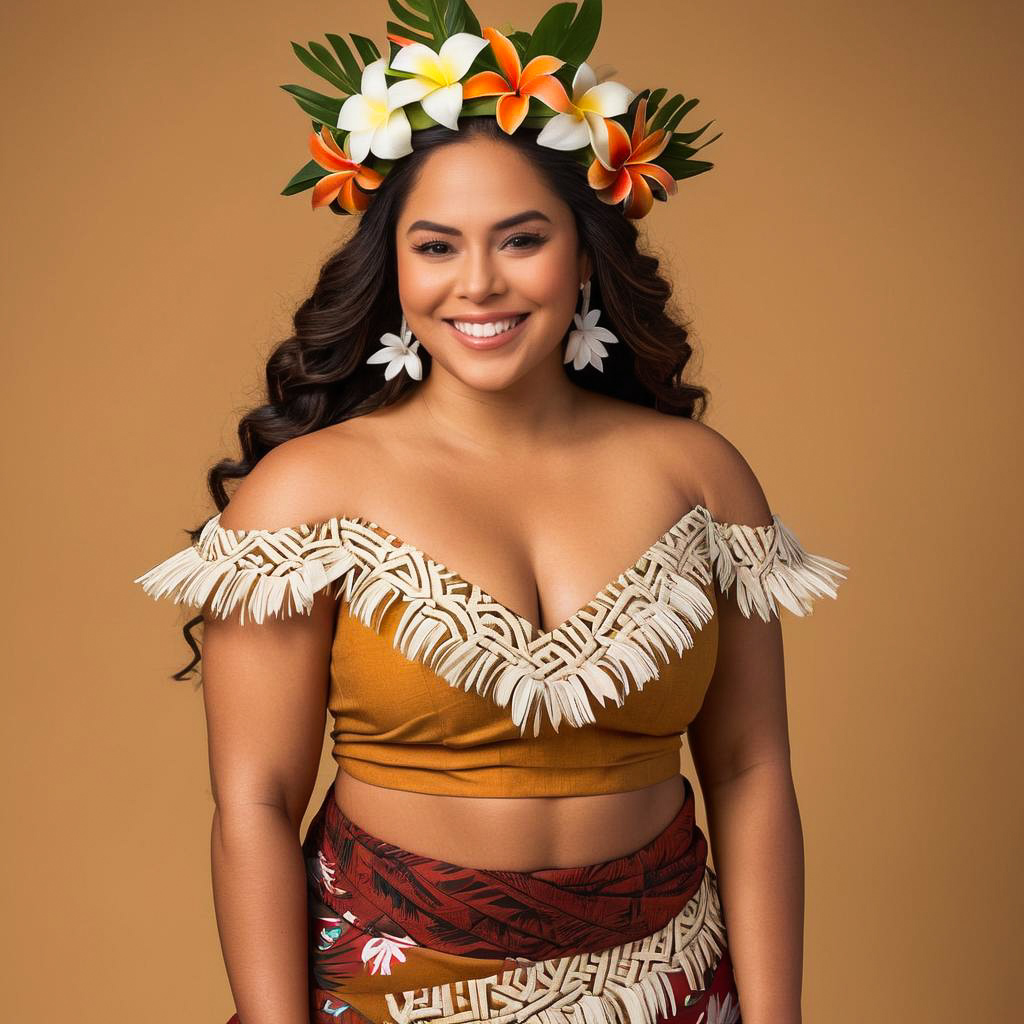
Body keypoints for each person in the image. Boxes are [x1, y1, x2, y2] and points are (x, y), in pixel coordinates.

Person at [134, 3, 848, 1023]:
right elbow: (252, 801)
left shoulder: (701, 477)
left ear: (586, 255)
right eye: (436, 247)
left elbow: (748, 768)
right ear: (395, 269)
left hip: (673, 981)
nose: (478, 283)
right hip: (392, 984)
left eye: (521, 240)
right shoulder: (303, 492)